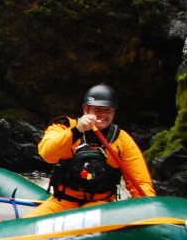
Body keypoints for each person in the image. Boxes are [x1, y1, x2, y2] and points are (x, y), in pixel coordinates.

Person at [23, 83, 155, 217]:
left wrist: (151, 210)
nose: (102, 115)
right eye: (97, 109)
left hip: (101, 203)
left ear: (114, 112)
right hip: (63, 201)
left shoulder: (123, 140)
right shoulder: (63, 127)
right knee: (26, 224)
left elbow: (140, 183)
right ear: (86, 110)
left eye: (108, 110)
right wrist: (76, 131)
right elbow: (48, 154)